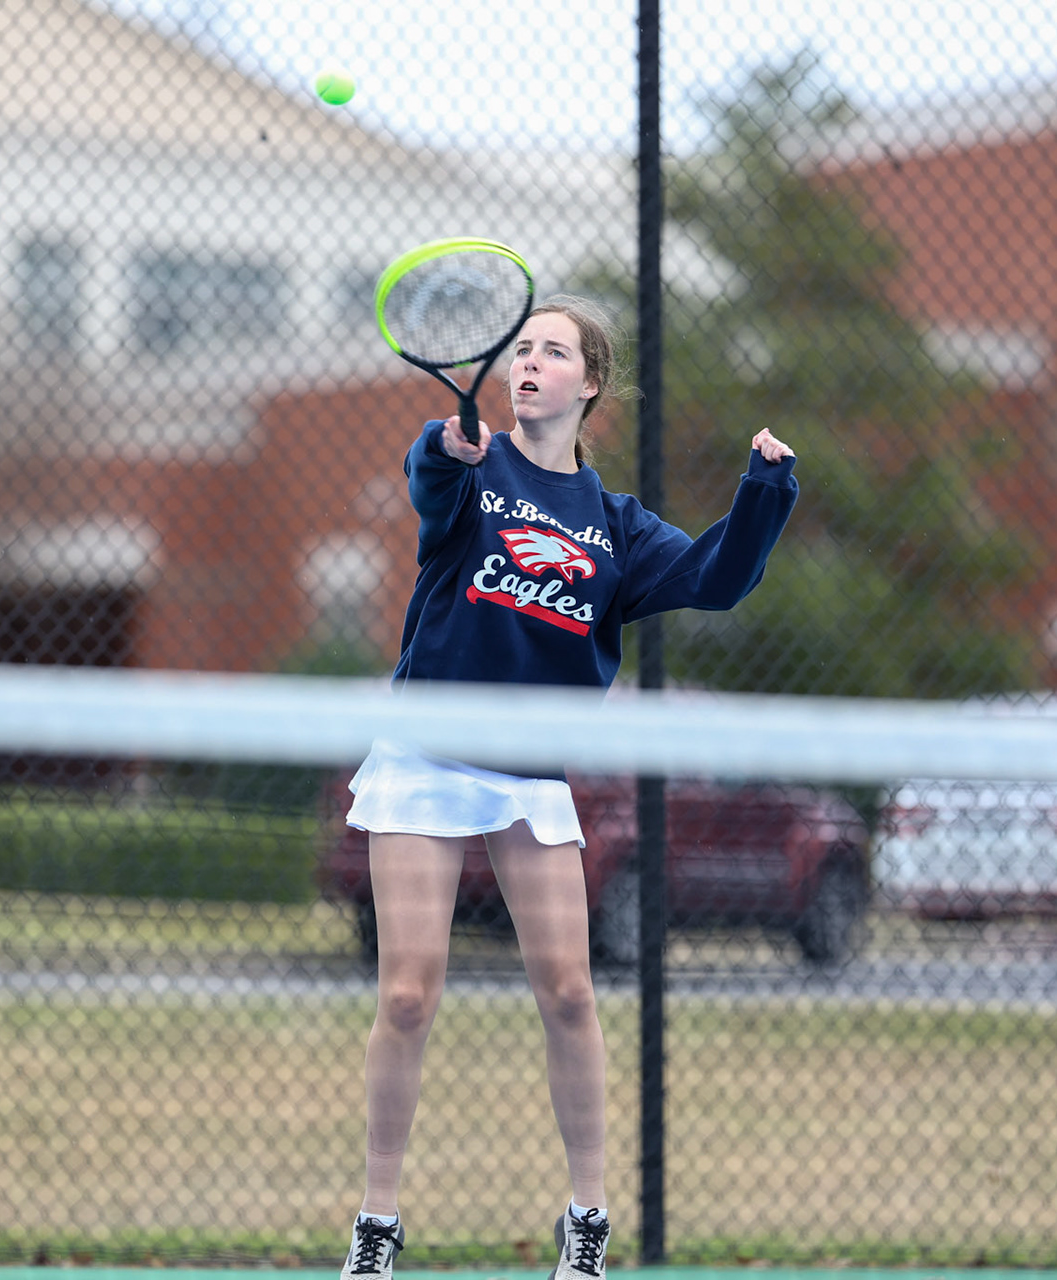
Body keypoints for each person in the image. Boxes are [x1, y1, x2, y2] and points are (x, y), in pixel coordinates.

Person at [339, 295, 798, 1280]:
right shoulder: (472, 468)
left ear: (590, 385)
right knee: (410, 994)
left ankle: (586, 1221)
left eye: (555, 350)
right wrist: (444, 452)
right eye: (522, 350)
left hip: (529, 773)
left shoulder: (616, 527)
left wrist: (763, 490)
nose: (532, 363)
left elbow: (716, 578)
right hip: (426, 754)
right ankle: (377, 1223)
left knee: (570, 991)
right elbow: (431, 480)